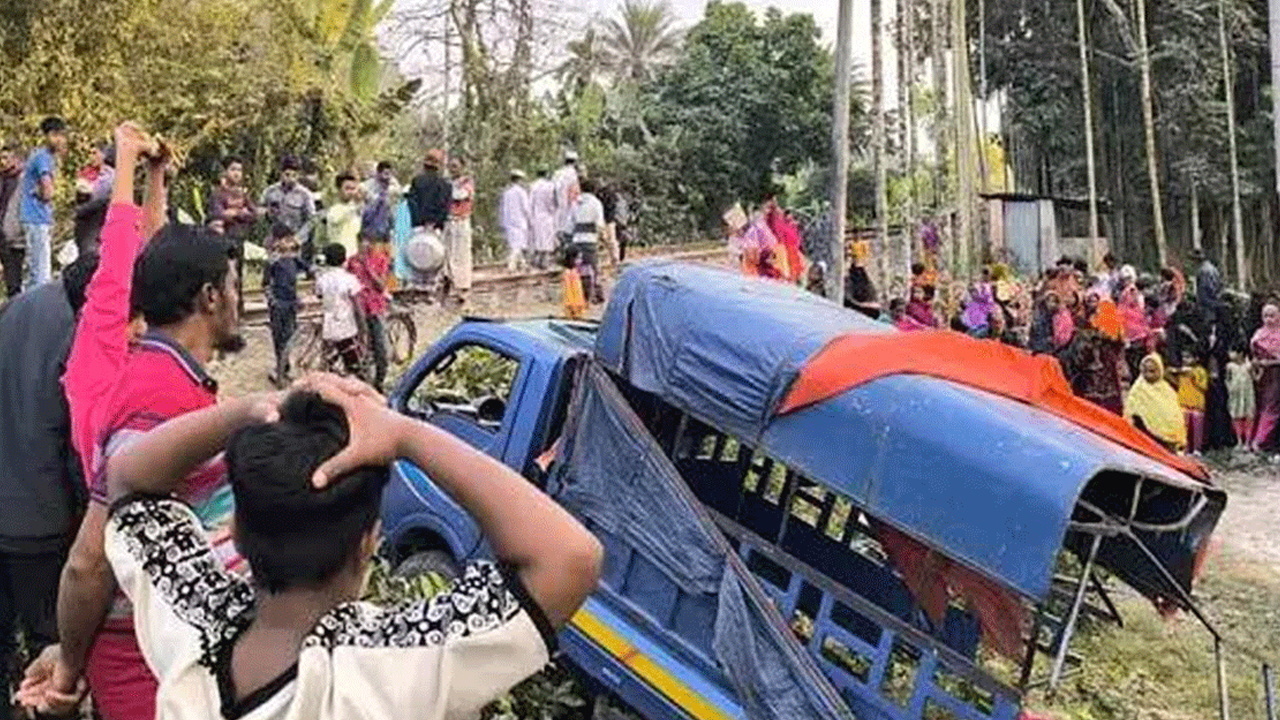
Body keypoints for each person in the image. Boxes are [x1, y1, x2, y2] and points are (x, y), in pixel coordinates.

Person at [30, 372, 601, 720]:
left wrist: (260, 407)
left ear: (238, 533)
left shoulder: (192, 626)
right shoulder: (392, 660)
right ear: (368, 543)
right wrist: (403, 434)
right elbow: (568, 557)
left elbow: (128, 479)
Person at [27, 220, 245, 720]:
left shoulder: (167, 378)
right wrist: (68, 669)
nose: (238, 301)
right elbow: (90, 561)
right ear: (210, 296)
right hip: (144, 664)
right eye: (234, 286)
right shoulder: (158, 396)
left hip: (166, 649)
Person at [0, 250, 99, 703]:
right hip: (41, 520)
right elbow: (75, 444)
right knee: (51, 656)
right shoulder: (84, 332)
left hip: (13, 499)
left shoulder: (20, 305)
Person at [64, 121, 169, 486]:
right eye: (130, 318)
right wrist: (124, 159)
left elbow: (152, 258)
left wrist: (156, 174)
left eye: (141, 317)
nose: (140, 329)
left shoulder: (123, 359)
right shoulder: (96, 363)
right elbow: (119, 253)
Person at [20, 117, 68, 290]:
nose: (60, 140)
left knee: (33, 272)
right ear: (47, 136)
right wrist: (43, 193)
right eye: (55, 135)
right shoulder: (43, 158)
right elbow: (48, 192)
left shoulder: (40, 156)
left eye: (61, 135)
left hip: (34, 218)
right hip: (36, 219)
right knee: (41, 275)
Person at [263, 225, 309, 388]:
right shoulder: (272, 262)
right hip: (278, 304)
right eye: (286, 240)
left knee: (290, 335)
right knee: (279, 337)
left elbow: (310, 269)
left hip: (291, 304)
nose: (289, 243)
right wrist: (272, 301)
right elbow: (265, 284)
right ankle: (281, 369)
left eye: (290, 240)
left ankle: (284, 367)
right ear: (277, 242)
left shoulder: (294, 260)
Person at [347, 233, 391, 392]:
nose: (364, 246)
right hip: (358, 308)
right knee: (359, 347)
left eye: (367, 243)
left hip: (375, 307)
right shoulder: (352, 261)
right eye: (361, 243)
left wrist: (368, 268)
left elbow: (381, 285)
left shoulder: (380, 259)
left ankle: (379, 382)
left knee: (381, 348)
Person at [316, 243, 365, 377]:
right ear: (344, 260)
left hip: (328, 326)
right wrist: (362, 326)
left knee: (331, 362)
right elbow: (357, 304)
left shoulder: (322, 279)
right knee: (354, 364)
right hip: (346, 327)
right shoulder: (350, 279)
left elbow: (319, 295)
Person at [1124, 354, 1186, 451]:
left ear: (1160, 370)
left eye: (1152, 371)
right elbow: (1130, 414)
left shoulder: (1167, 390)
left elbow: (1176, 415)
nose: (1149, 374)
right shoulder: (1138, 389)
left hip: (1169, 442)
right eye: (1146, 371)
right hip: (1146, 438)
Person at [209, 156, 257, 254]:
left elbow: (253, 214)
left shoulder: (243, 193)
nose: (236, 173)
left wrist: (235, 212)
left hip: (241, 239)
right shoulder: (218, 193)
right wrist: (241, 212)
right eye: (233, 169)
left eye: (239, 170)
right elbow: (218, 214)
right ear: (225, 172)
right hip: (222, 240)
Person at [73, 143, 115, 256]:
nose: (92, 157)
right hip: (85, 221)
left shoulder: (108, 175)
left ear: (104, 155)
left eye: (95, 153)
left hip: (95, 222)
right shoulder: (90, 171)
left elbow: (97, 195)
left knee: (89, 253)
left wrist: (84, 187)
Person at [261, 156, 315, 240]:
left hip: (294, 238)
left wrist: (298, 238)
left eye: (294, 175)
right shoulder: (270, 192)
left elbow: (311, 220)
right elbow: (261, 214)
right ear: (281, 173)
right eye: (287, 175)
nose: (290, 179)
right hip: (273, 238)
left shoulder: (305, 195)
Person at [444, 155, 475, 304]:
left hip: (461, 221)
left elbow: (459, 195)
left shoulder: (466, 183)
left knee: (461, 255)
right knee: (447, 254)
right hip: (449, 221)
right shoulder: (448, 182)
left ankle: (463, 289)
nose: (452, 169)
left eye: (455, 166)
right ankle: (449, 285)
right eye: (451, 166)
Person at [570, 178, 606, 303]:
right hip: (590, 241)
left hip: (576, 241)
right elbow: (600, 225)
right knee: (593, 268)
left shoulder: (575, 203)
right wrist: (603, 240)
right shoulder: (596, 203)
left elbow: (569, 224)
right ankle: (595, 294)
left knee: (578, 269)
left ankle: (579, 294)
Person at [1250, 303, 1280, 452]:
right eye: (1265, 316)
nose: (1269, 319)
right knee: (1263, 406)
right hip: (1263, 376)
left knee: (1272, 408)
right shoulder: (1259, 333)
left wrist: (1271, 361)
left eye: (1272, 316)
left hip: (1276, 374)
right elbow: (1253, 354)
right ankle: (1257, 440)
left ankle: (1260, 440)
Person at [360, 160, 403, 250]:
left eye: (389, 173)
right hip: (370, 225)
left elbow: (398, 198)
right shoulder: (368, 185)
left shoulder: (393, 185)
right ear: (378, 173)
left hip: (387, 225)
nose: (386, 177)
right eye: (384, 173)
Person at [0, 143, 24, 297]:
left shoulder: (23, 179)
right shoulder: (3, 178)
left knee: (16, 282)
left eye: (6, 158)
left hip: (17, 236)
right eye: (1, 158)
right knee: (11, 282)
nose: (3, 162)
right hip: (4, 235)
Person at [1174, 352, 1208, 453]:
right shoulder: (1181, 371)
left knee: (1197, 430)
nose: (1185, 359)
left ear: (1196, 358)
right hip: (1184, 403)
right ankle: (1186, 449)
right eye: (1184, 357)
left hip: (1197, 405)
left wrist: (1193, 377)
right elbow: (1174, 380)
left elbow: (1204, 386)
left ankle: (1197, 449)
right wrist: (1177, 372)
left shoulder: (1200, 371)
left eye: (1188, 357)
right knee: (1185, 429)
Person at [500, 169, 532, 272]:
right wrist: (530, 220)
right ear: (519, 180)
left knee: (516, 243)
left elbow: (504, 209)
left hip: (509, 221)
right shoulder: (521, 192)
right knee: (517, 245)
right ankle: (511, 266)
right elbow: (526, 208)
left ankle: (523, 264)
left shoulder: (507, 193)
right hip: (520, 221)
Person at [325, 173, 364, 259]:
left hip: (353, 257)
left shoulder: (356, 209)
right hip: (338, 257)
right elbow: (337, 218)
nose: (350, 192)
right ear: (339, 190)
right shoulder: (334, 209)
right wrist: (356, 205)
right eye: (347, 188)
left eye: (353, 189)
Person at [1227, 348, 1256, 447]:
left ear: (1241, 353)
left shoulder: (1248, 366)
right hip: (1235, 395)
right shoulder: (1230, 366)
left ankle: (1247, 441)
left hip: (1247, 394)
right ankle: (1239, 440)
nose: (1230, 354)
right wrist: (1230, 388)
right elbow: (1227, 379)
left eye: (1233, 351)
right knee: (1236, 416)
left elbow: (1255, 378)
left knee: (1248, 416)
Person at [529, 168, 557, 269]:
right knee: (547, 240)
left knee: (538, 239)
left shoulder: (533, 185)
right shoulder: (550, 186)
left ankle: (536, 261)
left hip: (536, 215)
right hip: (547, 215)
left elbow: (530, 202)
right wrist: (553, 210)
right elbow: (552, 201)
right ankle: (545, 262)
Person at [553, 151, 581, 244]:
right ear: (575, 162)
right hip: (570, 205)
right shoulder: (574, 174)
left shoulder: (557, 173)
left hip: (557, 206)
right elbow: (574, 192)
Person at [1191, 248, 1222, 320]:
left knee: (1208, 323)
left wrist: (1200, 303)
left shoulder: (1202, 270)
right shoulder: (1212, 268)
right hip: (1215, 302)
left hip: (1207, 304)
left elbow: (1204, 288)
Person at [561, 245, 587, 320]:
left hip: (577, 307)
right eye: (578, 258)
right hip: (573, 308)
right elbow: (568, 293)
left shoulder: (574, 271)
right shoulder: (568, 273)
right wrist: (573, 308)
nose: (580, 261)